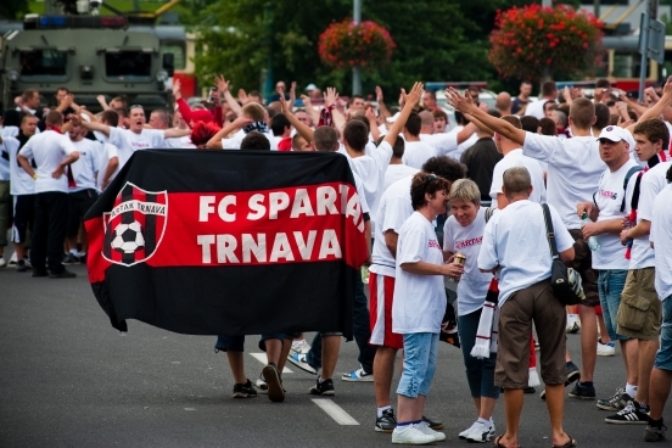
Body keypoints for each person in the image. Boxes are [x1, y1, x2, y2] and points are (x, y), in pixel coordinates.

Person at [478, 167, 576, 448]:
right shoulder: (546, 211)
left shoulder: (498, 219)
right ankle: (558, 433)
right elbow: (568, 253)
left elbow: (485, 263)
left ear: (505, 193)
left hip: (514, 294)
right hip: (548, 290)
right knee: (554, 361)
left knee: (513, 367)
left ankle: (511, 436)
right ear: (531, 189)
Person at [390, 172, 463, 445]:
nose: (447, 199)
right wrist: (443, 268)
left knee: (426, 368)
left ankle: (415, 421)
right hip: (416, 312)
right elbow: (408, 261)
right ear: (428, 196)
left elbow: (423, 260)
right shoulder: (416, 225)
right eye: (442, 194)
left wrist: (444, 261)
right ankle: (403, 425)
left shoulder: (428, 227)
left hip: (428, 312)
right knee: (415, 368)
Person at [574, 126, 640, 401]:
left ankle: (635, 391)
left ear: (627, 146)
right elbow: (606, 207)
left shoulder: (633, 175)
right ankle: (630, 389)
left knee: (627, 330)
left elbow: (633, 220)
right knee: (618, 330)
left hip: (622, 261)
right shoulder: (606, 173)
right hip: (603, 259)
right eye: (602, 142)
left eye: (612, 143)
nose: (605, 147)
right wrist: (590, 209)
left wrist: (597, 227)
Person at [443, 179, 499, 442]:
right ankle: (482, 420)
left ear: (477, 204)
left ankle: (485, 420)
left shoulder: (491, 217)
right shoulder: (451, 225)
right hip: (466, 299)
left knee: (489, 359)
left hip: (492, 298)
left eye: (465, 207)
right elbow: (447, 254)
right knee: (470, 362)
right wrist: (452, 263)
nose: (459, 214)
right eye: (454, 208)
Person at [17, 111, 80, 278]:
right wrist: (61, 166)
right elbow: (74, 154)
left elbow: (21, 157)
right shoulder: (60, 137)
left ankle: (38, 266)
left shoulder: (36, 138)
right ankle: (55, 265)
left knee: (39, 227)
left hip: (40, 187)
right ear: (60, 122)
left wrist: (34, 174)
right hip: (57, 187)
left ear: (45, 121)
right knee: (56, 227)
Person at [646, 164, 672, 442]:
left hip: (666, 286)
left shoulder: (662, 197)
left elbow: (654, 243)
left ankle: (654, 421)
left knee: (666, 360)